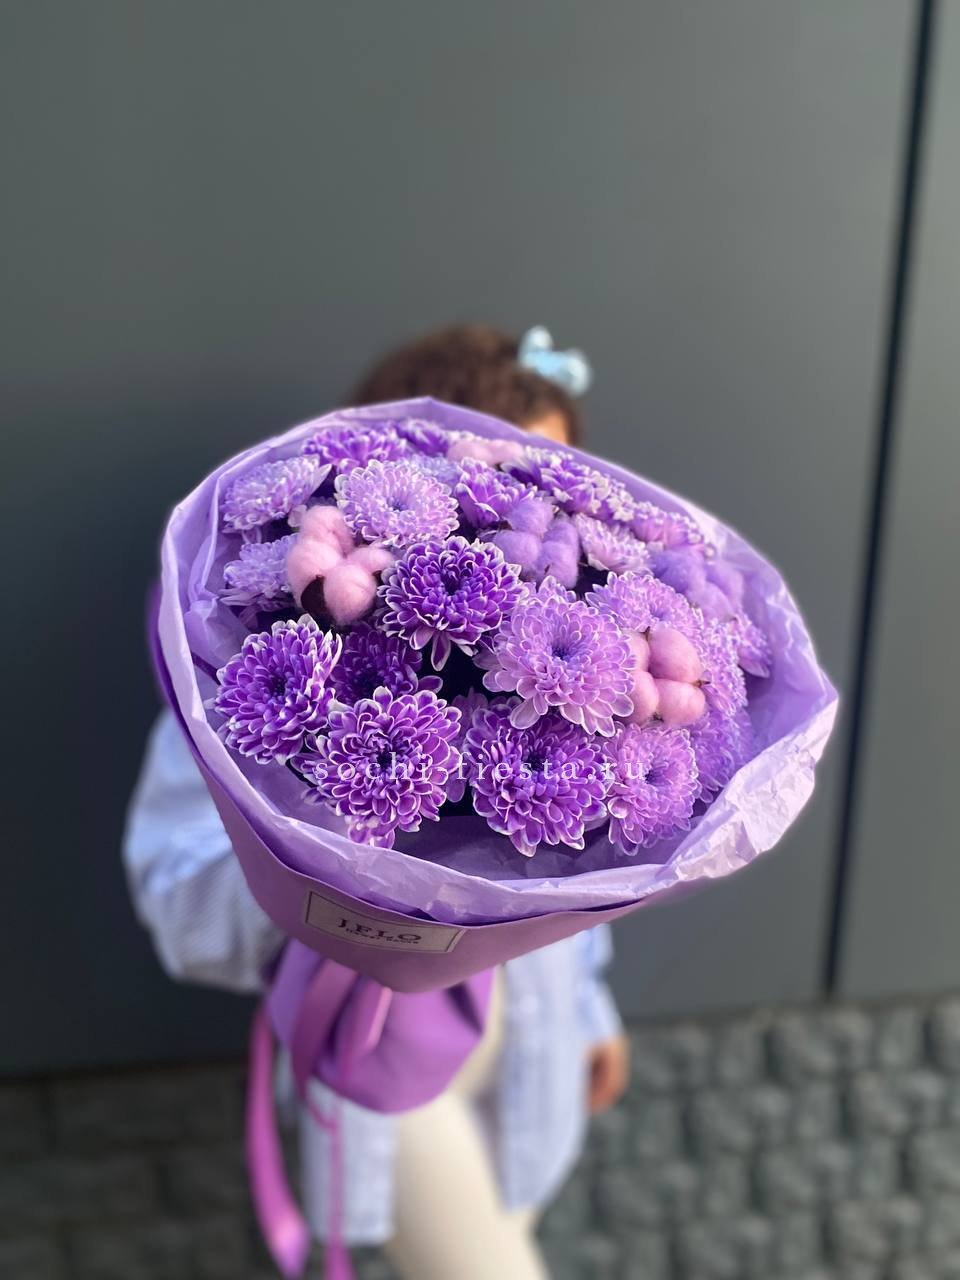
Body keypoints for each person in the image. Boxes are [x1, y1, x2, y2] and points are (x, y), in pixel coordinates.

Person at [124, 324, 628, 1280]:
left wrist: (593, 1011)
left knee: (507, 1231)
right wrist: (319, 874)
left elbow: (593, 863)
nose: (536, 517)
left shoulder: (571, 664)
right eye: (503, 482)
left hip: (534, 1054)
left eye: (558, 487)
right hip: (380, 1073)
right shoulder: (251, 664)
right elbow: (176, 902)